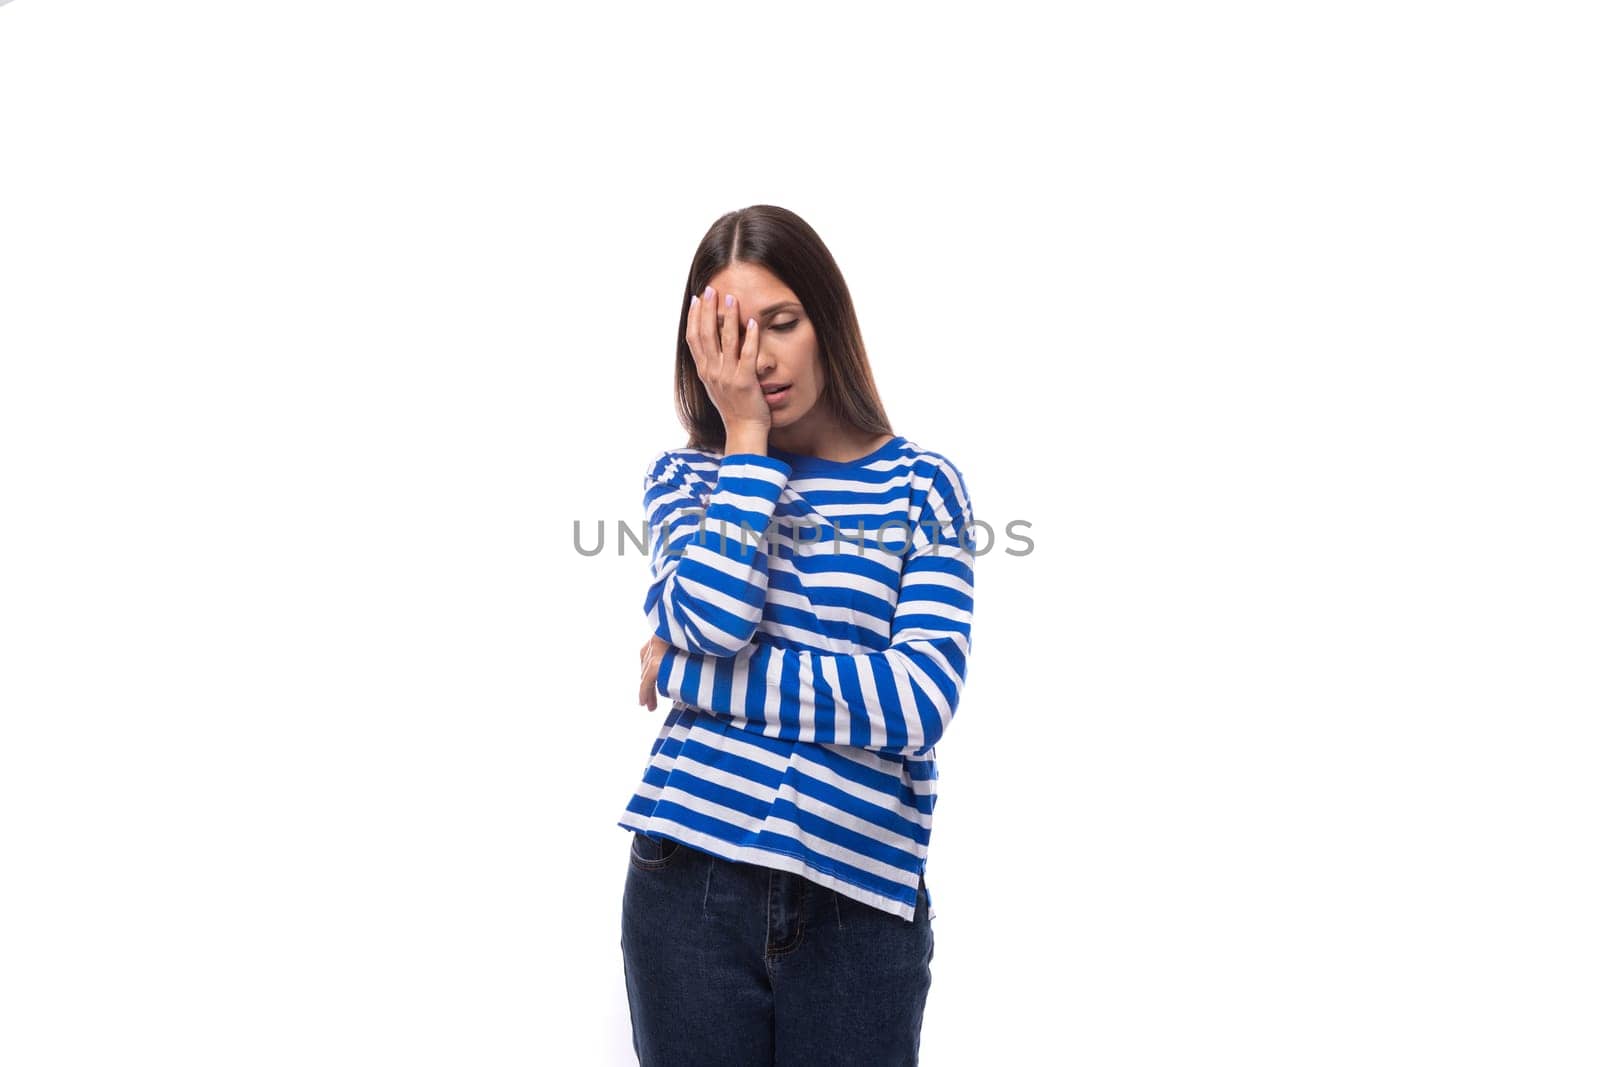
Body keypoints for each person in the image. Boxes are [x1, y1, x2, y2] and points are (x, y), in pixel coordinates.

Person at [617, 204, 977, 1066]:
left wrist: (696, 680)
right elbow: (711, 617)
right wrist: (746, 440)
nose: (762, 358)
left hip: (860, 899)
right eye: (734, 335)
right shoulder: (690, 479)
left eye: (781, 322)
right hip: (687, 878)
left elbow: (918, 700)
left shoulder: (923, 486)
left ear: (828, 321)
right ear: (701, 352)